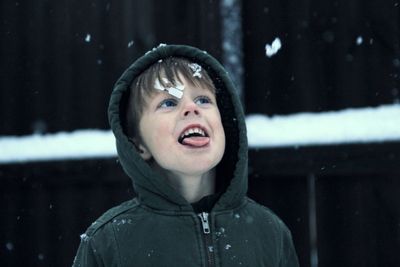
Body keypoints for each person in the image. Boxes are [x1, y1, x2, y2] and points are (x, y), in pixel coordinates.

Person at [72, 44, 299, 267]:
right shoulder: (108, 243)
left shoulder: (269, 232)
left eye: (203, 100)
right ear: (139, 146)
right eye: (169, 102)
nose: (192, 108)